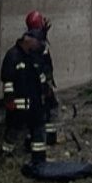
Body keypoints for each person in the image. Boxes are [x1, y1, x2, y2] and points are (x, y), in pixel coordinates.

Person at [0, 27, 55, 164]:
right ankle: (6, 154)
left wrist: (46, 89)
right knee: (14, 129)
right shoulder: (13, 56)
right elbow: (7, 80)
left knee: (38, 129)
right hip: (19, 105)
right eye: (37, 42)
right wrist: (9, 100)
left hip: (35, 102)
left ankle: (39, 160)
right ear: (28, 40)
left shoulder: (33, 56)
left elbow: (40, 74)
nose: (39, 45)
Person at [24, 10, 59, 146]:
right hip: (40, 84)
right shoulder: (38, 43)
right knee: (50, 107)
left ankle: (31, 138)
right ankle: (49, 137)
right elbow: (44, 65)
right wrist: (47, 84)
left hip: (31, 85)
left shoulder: (28, 40)